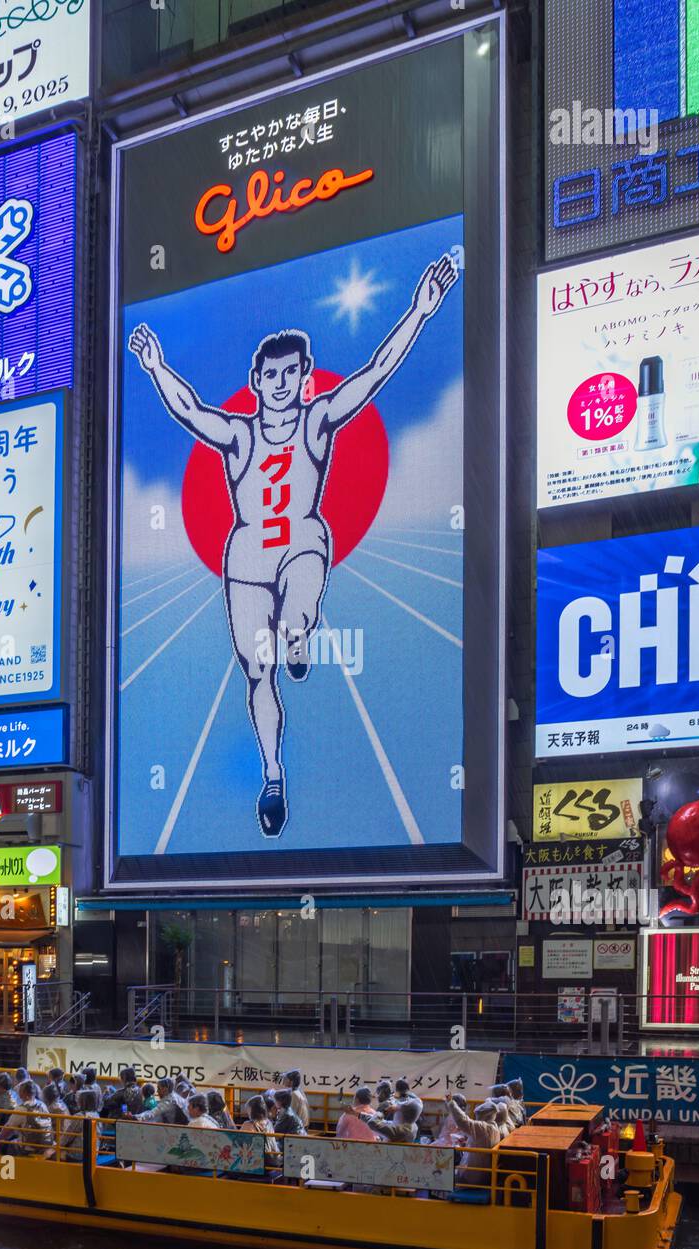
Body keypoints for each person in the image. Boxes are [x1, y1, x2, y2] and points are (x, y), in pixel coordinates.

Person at [129, 252, 458, 838]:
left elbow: (376, 371)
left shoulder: (318, 420)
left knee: (298, 608)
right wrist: (156, 368)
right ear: (256, 381)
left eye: (290, 375)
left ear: (303, 376)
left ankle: (300, 632)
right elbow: (188, 409)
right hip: (248, 559)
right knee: (258, 671)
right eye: (270, 376)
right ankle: (273, 772)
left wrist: (419, 312)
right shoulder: (237, 435)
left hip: (302, 539)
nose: (280, 385)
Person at [443, 1097, 501, 1187]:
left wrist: (451, 1103)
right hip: (485, 1173)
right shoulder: (494, 1127)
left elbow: (463, 1121)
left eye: (478, 1115)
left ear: (484, 1115)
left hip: (474, 1176)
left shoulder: (483, 1127)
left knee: (441, 1174)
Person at [0, 1080, 54, 1157]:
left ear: (24, 1093)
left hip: (28, 1148)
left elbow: (7, 1128)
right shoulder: (42, 1105)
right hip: (46, 1145)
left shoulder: (21, 1109)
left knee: (7, 1145)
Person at [240, 1095, 280, 1159]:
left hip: (257, 1160)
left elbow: (239, 1141)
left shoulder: (248, 1124)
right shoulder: (268, 1122)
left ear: (251, 1110)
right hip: (271, 1158)